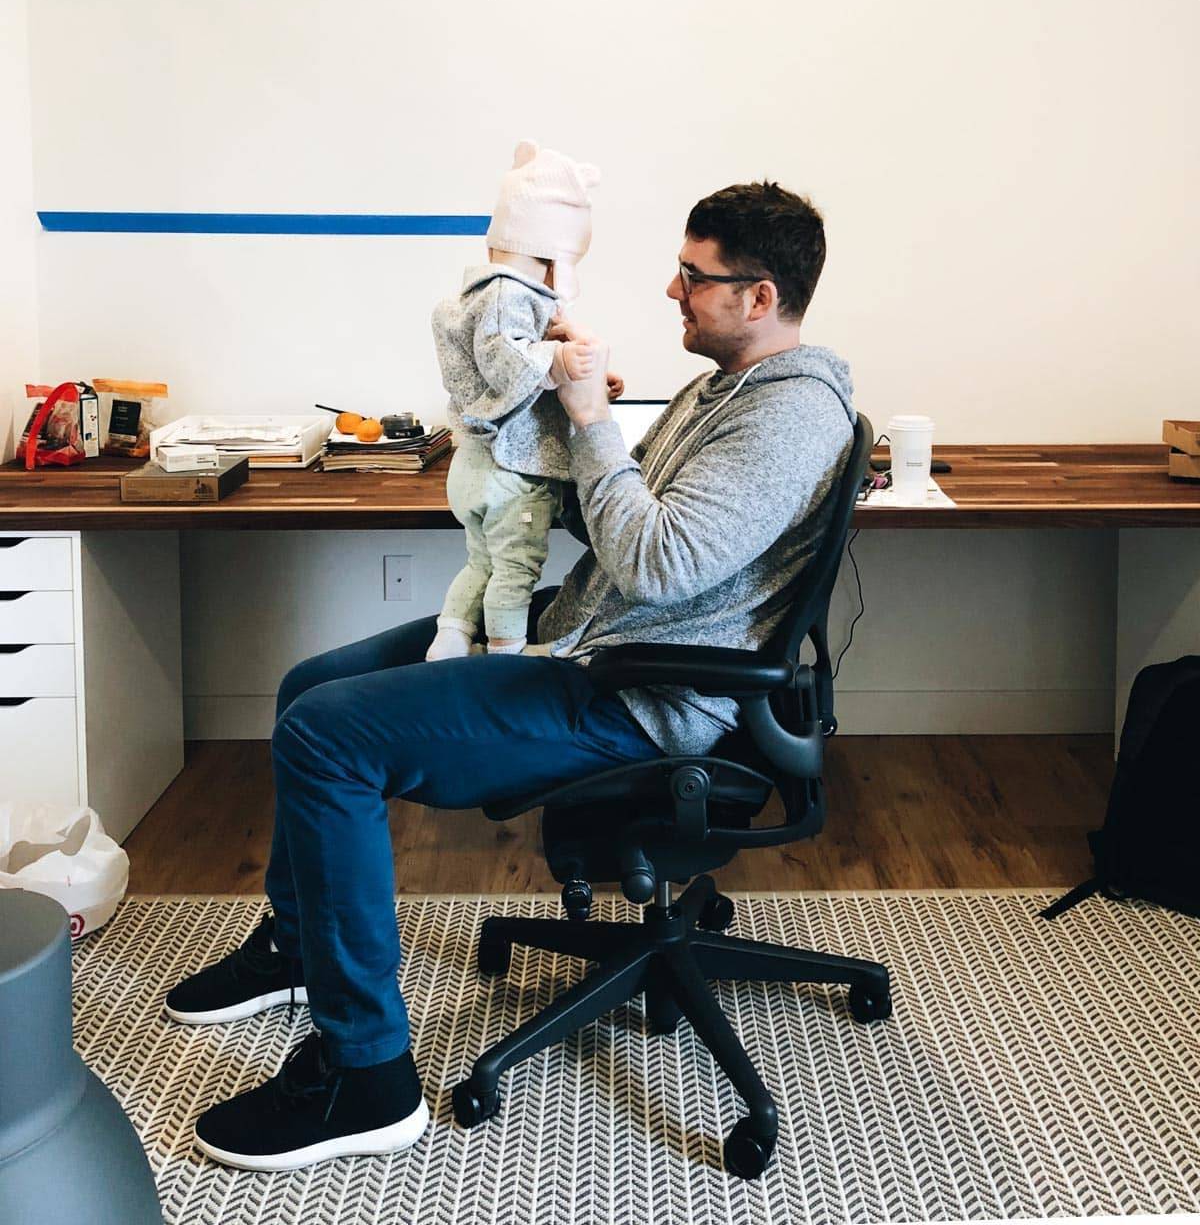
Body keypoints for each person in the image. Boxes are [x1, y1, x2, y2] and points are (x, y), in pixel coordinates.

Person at [165, 179, 855, 1173]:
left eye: (693, 276)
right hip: (588, 638)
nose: (671, 289)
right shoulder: (722, 390)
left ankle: (367, 1077)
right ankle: (298, 950)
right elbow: (612, 524)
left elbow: (657, 563)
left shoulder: (788, 418)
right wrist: (543, 423)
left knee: (326, 737)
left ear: (759, 297)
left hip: (636, 693)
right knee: (309, 687)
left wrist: (593, 419)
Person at [427, 138, 610, 661]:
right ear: (555, 260)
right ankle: (505, 657)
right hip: (512, 472)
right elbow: (505, 358)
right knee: (515, 570)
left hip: (472, 465)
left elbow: (514, 359)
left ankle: (451, 637)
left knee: (481, 563)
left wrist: (589, 375)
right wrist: (558, 362)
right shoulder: (512, 294)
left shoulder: (474, 297)